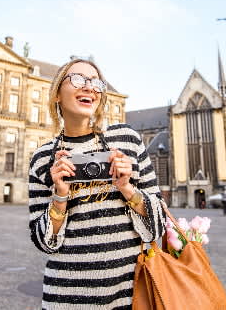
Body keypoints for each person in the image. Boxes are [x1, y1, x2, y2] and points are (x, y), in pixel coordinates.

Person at [28, 59, 166, 309]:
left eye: (95, 82)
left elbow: (159, 224)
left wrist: (127, 188)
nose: (89, 87)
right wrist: (60, 195)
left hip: (131, 295)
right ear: (57, 93)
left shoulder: (128, 141)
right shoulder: (43, 158)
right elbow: (43, 242)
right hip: (66, 300)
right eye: (78, 79)